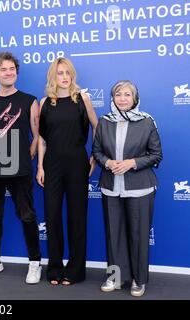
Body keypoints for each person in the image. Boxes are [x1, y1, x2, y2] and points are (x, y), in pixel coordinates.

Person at [93, 80, 162, 297]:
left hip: (140, 189)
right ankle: (115, 277)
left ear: (135, 98)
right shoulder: (104, 122)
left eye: (127, 95)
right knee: (114, 235)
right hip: (111, 188)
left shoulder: (147, 121)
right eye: (118, 94)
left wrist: (132, 163)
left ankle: (138, 280)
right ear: (112, 98)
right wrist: (107, 163)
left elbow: (156, 155)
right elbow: (97, 151)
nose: (122, 98)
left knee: (138, 236)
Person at [0, 52, 42, 284]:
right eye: (3, 69)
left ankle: (35, 262)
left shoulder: (29, 101)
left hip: (20, 168)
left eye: (12, 68)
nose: (8, 72)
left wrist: (28, 157)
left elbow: (37, 137)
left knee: (27, 215)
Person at [36, 57, 98, 285]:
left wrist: (95, 157)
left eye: (67, 73)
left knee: (77, 217)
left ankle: (75, 271)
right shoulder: (45, 102)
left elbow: (96, 127)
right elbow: (42, 139)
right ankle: (54, 269)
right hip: (51, 164)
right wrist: (40, 166)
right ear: (53, 77)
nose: (64, 77)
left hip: (77, 163)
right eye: (59, 73)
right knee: (52, 217)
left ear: (72, 76)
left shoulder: (83, 99)